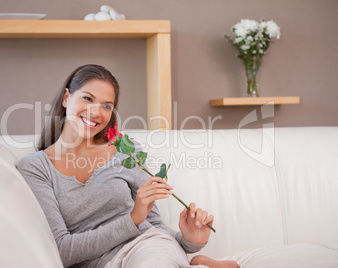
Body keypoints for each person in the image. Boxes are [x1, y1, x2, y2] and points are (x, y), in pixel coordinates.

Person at [17, 64, 239, 268]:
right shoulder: (36, 168)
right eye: (87, 98)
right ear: (66, 97)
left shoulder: (125, 150)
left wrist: (189, 241)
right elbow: (62, 250)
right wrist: (132, 218)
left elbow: (152, 224)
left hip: (147, 247)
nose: (96, 112)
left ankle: (192, 260)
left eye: (106, 105)